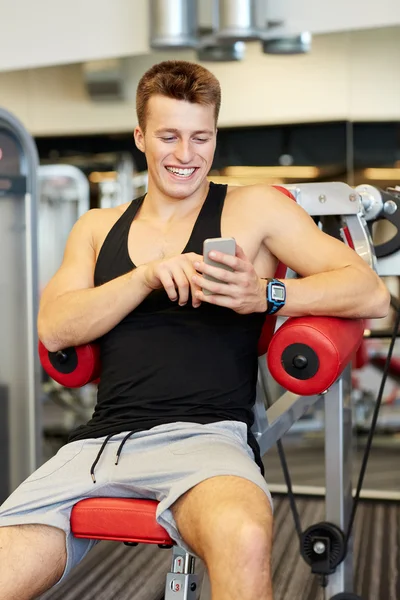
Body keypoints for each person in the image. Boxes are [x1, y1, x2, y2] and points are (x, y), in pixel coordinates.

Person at [0, 60, 389, 600]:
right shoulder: (97, 228)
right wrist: (145, 278)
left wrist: (269, 295)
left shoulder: (252, 209)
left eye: (200, 137)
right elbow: (54, 328)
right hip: (99, 446)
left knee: (247, 537)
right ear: (141, 136)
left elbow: (368, 289)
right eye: (169, 136)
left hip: (206, 442)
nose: (186, 155)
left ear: (214, 135)